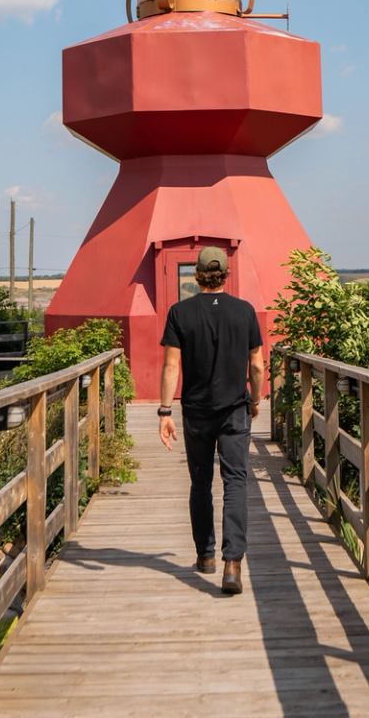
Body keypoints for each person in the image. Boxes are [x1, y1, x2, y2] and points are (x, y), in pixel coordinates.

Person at [158, 246, 266, 595]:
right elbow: (257, 365)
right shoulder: (245, 311)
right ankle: (232, 563)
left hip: (197, 412)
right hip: (235, 408)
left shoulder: (179, 312)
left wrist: (164, 411)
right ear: (226, 274)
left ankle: (205, 556)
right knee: (235, 481)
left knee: (200, 482)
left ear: (197, 274)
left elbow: (171, 366)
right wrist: (255, 399)